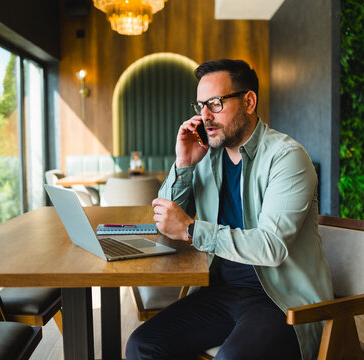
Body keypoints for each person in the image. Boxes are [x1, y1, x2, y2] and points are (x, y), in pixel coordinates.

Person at [126, 59, 333, 360]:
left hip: (281, 301)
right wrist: (183, 163)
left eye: (215, 103)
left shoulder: (287, 158)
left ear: (249, 101)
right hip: (220, 292)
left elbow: (271, 248)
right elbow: (165, 218)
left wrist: (192, 230)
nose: (205, 116)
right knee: (142, 346)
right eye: (200, 106)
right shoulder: (207, 159)